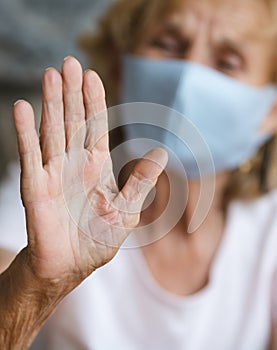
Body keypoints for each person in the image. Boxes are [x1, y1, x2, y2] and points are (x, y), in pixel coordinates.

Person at [0, 0, 277, 349]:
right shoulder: (53, 198)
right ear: (120, 66)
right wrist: (38, 284)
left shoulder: (270, 231)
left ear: (271, 112)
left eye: (227, 62)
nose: (188, 76)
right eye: (167, 44)